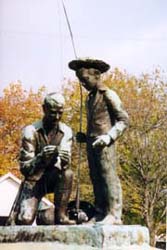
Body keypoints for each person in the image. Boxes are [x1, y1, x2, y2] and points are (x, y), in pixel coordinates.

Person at [69, 59, 129, 224]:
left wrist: (108, 136)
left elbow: (124, 120)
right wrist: (85, 137)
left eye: (85, 79)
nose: (83, 83)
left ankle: (114, 214)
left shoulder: (108, 94)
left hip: (105, 144)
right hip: (91, 144)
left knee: (108, 176)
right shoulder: (90, 98)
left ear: (96, 76)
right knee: (95, 177)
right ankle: (100, 211)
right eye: (80, 80)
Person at [7, 92, 75, 225]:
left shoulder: (66, 131)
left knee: (68, 174)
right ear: (44, 109)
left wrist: (66, 161)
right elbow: (25, 169)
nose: (57, 117)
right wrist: (40, 158)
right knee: (24, 220)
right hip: (34, 181)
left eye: (60, 113)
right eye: (53, 112)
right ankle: (43, 214)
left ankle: (60, 215)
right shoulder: (31, 131)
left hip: (53, 178)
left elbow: (64, 167)